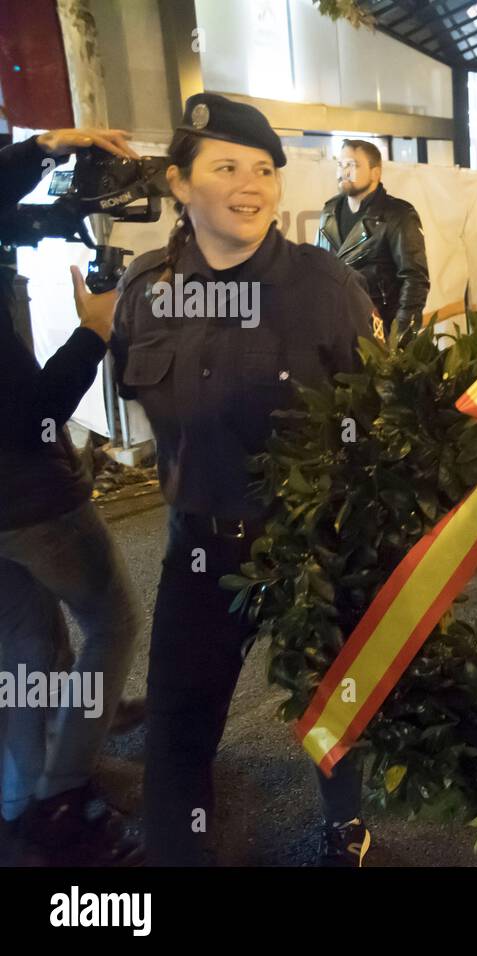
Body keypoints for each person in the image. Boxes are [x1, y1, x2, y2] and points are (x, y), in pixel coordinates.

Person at [109, 93, 375, 866]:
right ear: (180, 184)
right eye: (226, 166)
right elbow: (134, 386)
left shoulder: (327, 289)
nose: (251, 183)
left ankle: (346, 827)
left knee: (334, 707)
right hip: (196, 549)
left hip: (309, 550)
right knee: (178, 729)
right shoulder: (145, 290)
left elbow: (378, 423)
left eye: (263, 168)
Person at [0, 127, 144, 866]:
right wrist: (94, 331)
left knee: (25, 646)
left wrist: (51, 146)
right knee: (113, 621)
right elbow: (34, 414)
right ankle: (64, 793)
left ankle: (21, 797)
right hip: (30, 499)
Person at [317, 139, 430, 343]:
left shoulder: (397, 214)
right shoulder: (329, 212)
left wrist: (400, 338)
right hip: (336, 330)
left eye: (352, 164)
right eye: (340, 164)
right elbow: (318, 269)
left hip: (379, 330)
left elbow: (415, 279)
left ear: (375, 173)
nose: (344, 171)